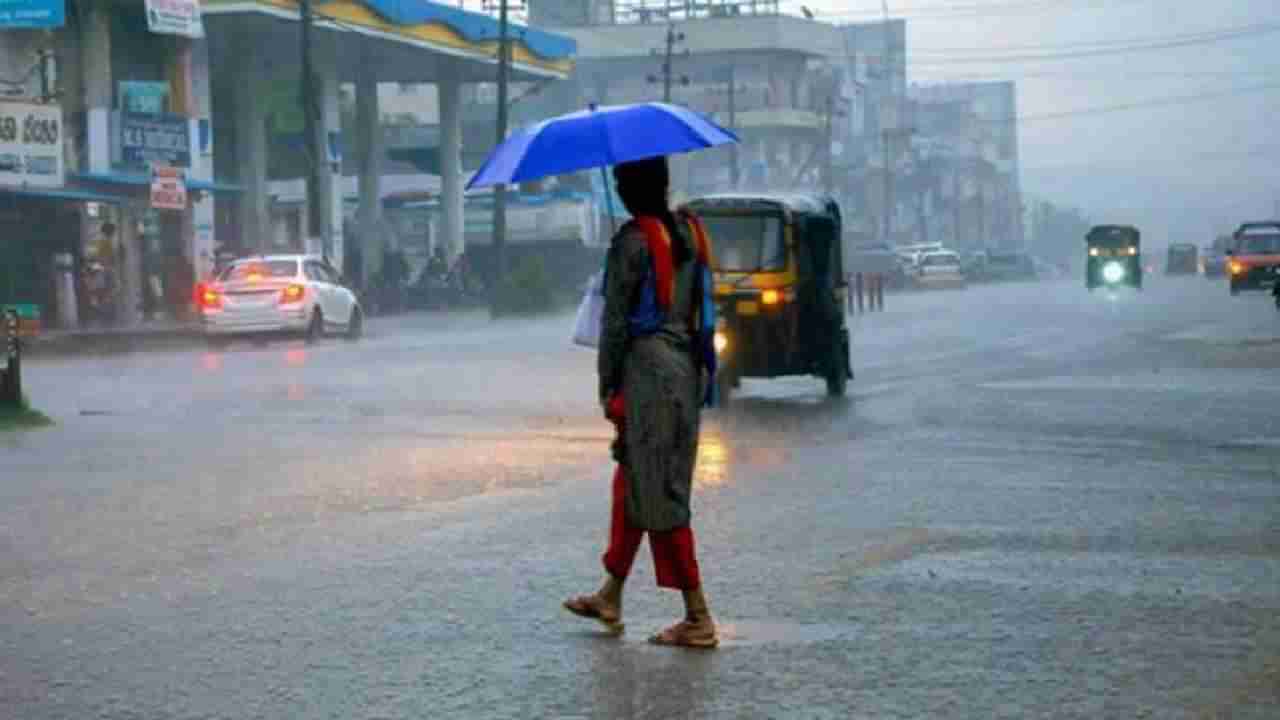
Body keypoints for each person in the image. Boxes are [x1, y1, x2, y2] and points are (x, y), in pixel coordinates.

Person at [563, 156, 719, 649]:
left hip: (648, 377)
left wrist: (608, 386)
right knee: (634, 479)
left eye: (620, 182)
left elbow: (613, 325)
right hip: (685, 371)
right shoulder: (691, 233)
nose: (618, 190)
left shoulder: (631, 243)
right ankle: (611, 593)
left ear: (631, 189)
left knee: (661, 493)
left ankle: (698, 616)